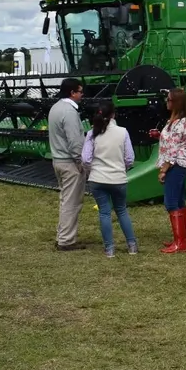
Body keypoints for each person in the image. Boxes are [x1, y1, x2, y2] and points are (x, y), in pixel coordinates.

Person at [81, 101, 139, 258]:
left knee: (104, 213)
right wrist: (122, 169)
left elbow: (86, 159)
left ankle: (109, 249)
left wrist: (91, 171)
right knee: (121, 210)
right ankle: (132, 245)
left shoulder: (92, 134)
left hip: (97, 179)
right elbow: (129, 158)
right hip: (118, 178)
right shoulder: (123, 132)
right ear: (113, 114)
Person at [48, 78, 87, 250]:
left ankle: (62, 235)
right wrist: (81, 162)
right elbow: (75, 142)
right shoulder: (70, 112)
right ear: (72, 93)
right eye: (80, 91)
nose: (82, 94)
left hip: (58, 160)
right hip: (70, 163)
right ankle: (67, 240)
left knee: (65, 200)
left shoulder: (55, 108)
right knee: (72, 203)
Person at [152, 87, 186, 254]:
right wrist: (158, 136)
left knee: (171, 203)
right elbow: (172, 143)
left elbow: (174, 150)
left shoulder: (179, 123)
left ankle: (179, 242)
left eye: (169, 100)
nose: (166, 102)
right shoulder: (175, 121)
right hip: (180, 164)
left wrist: (164, 170)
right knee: (179, 202)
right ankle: (183, 239)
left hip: (176, 165)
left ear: (176, 102)